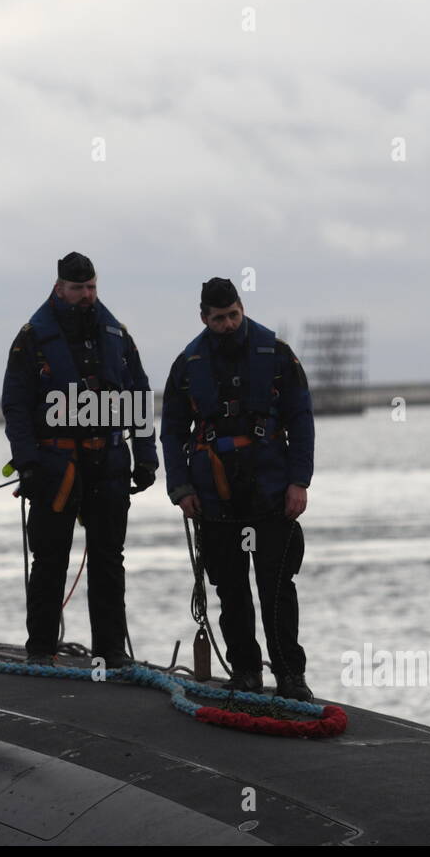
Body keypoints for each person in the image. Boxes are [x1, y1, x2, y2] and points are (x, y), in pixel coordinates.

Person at [159, 277, 315, 700]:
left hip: (271, 490)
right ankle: (245, 671)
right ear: (204, 318)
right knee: (230, 590)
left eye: (233, 315)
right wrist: (180, 487)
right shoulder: (188, 364)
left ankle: (290, 676)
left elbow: (301, 419)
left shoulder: (277, 355)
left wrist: (299, 482)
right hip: (214, 495)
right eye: (218, 318)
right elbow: (171, 431)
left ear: (242, 308)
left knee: (277, 588)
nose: (228, 324)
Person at [1, 251, 158, 666]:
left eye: (91, 287)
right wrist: (27, 463)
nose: (86, 295)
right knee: (50, 558)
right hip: (55, 466)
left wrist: (146, 457)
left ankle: (110, 651)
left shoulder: (116, 334)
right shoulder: (32, 337)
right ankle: (41, 650)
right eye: (77, 288)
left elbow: (139, 395)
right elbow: (16, 406)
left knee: (108, 559)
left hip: (107, 459)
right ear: (58, 288)